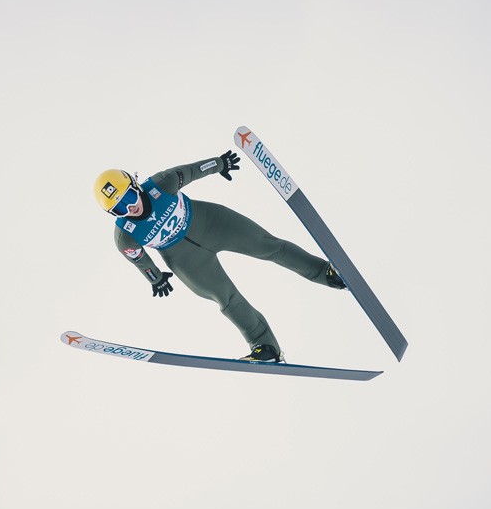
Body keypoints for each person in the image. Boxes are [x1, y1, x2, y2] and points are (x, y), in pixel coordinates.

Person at [93, 150, 346, 363]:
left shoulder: (161, 184)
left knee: (268, 246)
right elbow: (139, 260)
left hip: (212, 223)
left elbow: (192, 171)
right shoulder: (125, 236)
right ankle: (265, 347)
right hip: (186, 259)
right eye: (119, 208)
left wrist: (220, 163)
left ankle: (326, 273)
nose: (130, 207)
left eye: (129, 197)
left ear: (135, 184)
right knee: (226, 298)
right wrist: (156, 278)